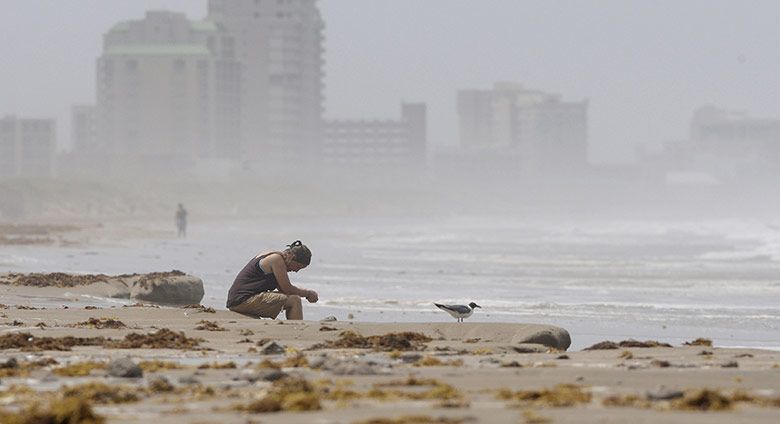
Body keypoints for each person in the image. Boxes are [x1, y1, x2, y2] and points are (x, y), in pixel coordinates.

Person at [226, 240, 318, 320]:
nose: (296, 271)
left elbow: (282, 288)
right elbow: (288, 289)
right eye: (298, 267)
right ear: (292, 257)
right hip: (242, 300)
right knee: (295, 300)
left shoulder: (272, 253)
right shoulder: (276, 260)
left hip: (236, 299)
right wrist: (308, 293)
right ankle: (296, 331)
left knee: (291, 297)